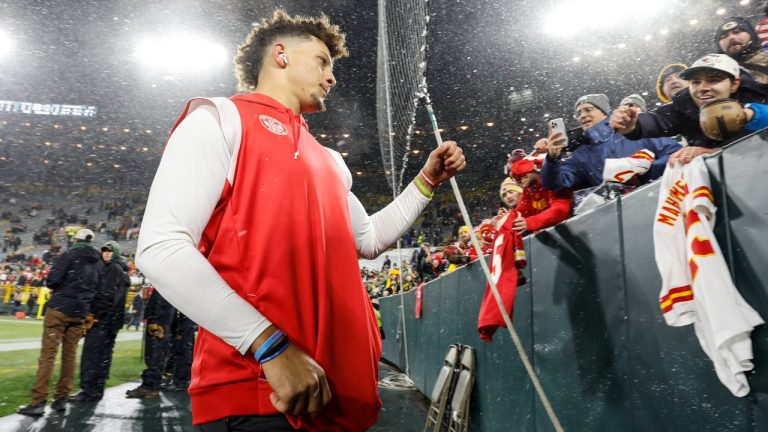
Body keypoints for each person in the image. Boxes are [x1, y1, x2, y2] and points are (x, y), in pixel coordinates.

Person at [135, 9, 465, 431]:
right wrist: (270, 347)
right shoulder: (219, 119)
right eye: (323, 61)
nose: (332, 77)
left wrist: (427, 180)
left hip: (338, 397)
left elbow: (368, 240)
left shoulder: (329, 158)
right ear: (280, 55)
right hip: (263, 393)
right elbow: (160, 247)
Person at [611, 54, 768, 166]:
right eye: (696, 82)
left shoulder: (757, 94)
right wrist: (633, 125)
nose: (702, 88)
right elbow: (658, 120)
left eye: (713, 80)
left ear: (734, 84)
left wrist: (751, 115)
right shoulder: (684, 105)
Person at [18, 229, 102, 416]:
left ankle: (38, 401)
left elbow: (52, 280)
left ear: (77, 240)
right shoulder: (98, 261)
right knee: (70, 356)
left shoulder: (69, 254)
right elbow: (98, 288)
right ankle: (61, 398)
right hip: (80, 312)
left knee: (48, 355)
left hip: (60, 308)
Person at [539, 94, 681, 192]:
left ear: (604, 113)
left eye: (588, 109)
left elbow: (675, 153)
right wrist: (552, 158)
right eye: (579, 113)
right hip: (620, 219)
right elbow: (554, 184)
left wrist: (645, 174)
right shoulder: (581, 154)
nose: (582, 115)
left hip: (662, 198)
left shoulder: (632, 129)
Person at [70, 241, 130, 402]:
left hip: (102, 321)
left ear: (115, 253)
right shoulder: (121, 270)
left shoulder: (112, 269)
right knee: (103, 357)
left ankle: (88, 391)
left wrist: (94, 315)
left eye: (110, 251)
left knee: (91, 356)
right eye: (104, 250)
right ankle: (97, 390)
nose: (107, 253)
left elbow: (106, 295)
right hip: (111, 322)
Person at [125, 288, 176, 399]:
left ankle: (150, 387)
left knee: (155, 356)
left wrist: (156, 321)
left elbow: (161, 302)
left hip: (159, 321)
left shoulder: (165, 282)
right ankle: (152, 386)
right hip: (161, 320)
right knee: (156, 356)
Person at [509, 158, 572, 234]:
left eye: (522, 175)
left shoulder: (550, 179)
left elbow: (560, 210)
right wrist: (501, 222)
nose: (518, 179)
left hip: (575, 228)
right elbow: (520, 212)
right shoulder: (528, 191)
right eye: (515, 178)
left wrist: (532, 222)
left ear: (535, 168)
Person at [715, 17, 768, 84]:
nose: (731, 37)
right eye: (723, 36)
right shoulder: (715, 74)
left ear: (751, 34)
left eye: (737, 32)